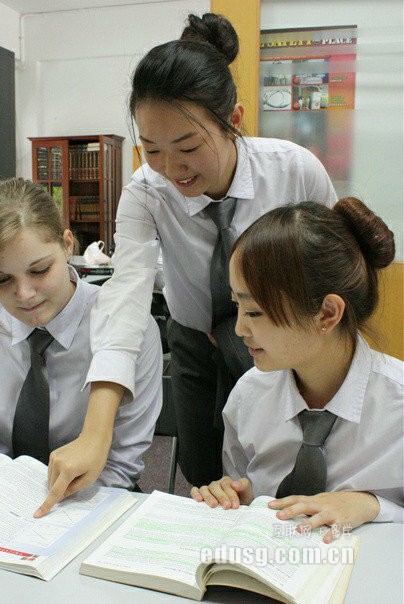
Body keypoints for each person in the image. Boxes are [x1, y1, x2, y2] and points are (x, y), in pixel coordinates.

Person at [84, 12, 337, 488]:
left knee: (280, 468)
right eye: (152, 150)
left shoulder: (294, 171)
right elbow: (126, 297)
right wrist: (97, 431)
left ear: (233, 121)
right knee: (201, 470)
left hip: (282, 342)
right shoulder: (146, 192)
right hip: (194, 342)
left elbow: (334, 269)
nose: (172, 168)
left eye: (187, 147)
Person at [0, 178, 162, 516]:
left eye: (39, 270)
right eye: (2, 280)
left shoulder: (127, 329)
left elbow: (120, 468)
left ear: (67, 245)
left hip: (92, 501)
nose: (24, 294)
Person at [190, 197, 403, 542]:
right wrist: (235, 498)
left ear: (327, 314)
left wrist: (373, 506)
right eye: (236, 305)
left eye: (255, 312)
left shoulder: (397, 406)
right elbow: (247, 493)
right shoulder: (249, 395)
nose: (240, 329)